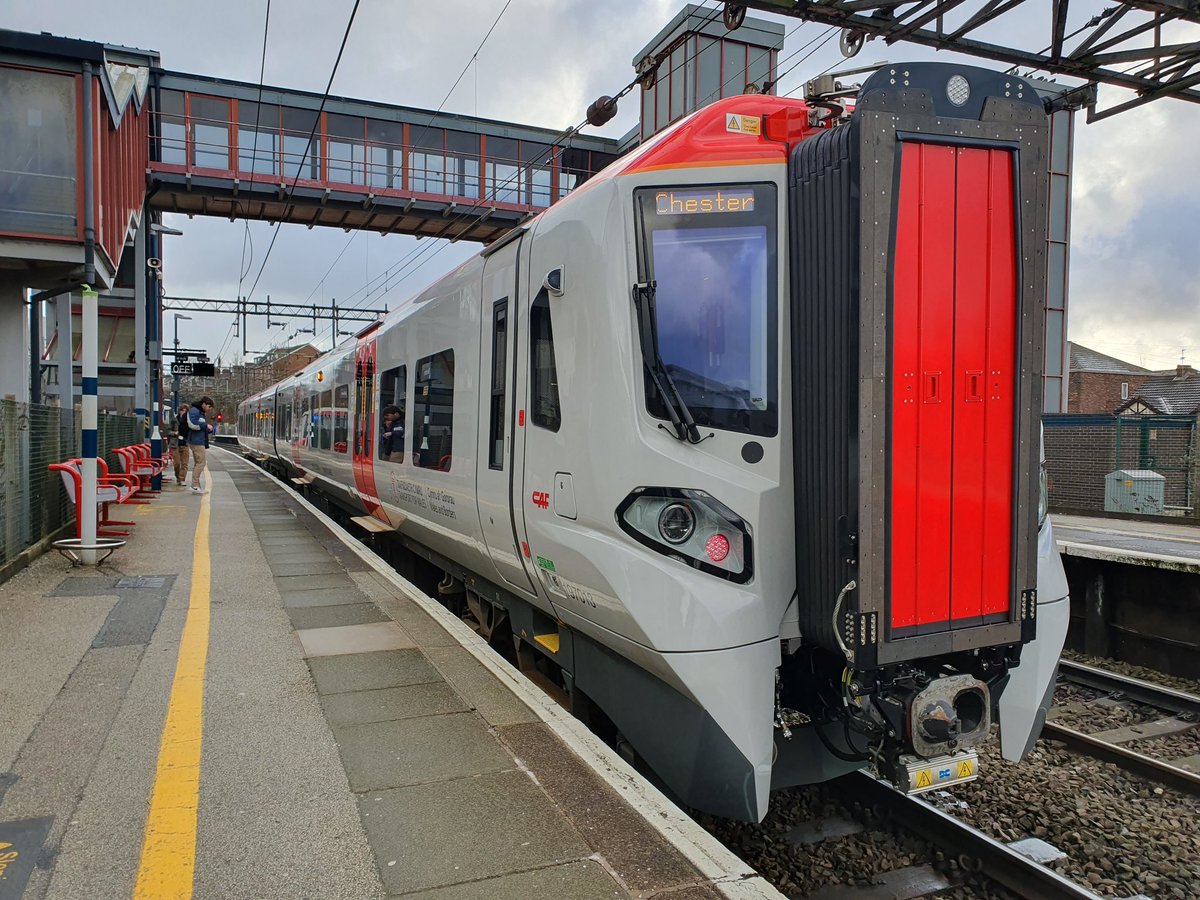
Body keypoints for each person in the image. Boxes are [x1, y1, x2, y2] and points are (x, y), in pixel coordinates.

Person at [186, 396, 216, 493]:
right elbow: (192, 424)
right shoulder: (195, 411)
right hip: (196, 441)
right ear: (204, 404)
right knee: (201, 463)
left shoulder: (199, 412)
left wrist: (207, 430)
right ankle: (195, 485)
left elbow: (198, 426)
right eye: (208, 407)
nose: (209, 409)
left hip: (198, 440)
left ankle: (196, 485)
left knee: (198, 463)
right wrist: (205, 425)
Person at [172, 402, 190, 486]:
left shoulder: (189, 422)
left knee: (185, 463)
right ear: (179, 411)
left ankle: (182, 479)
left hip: (185, 444)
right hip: (175, 444)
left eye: (185, 411)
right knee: (177, 463)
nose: (183, 412)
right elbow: (167, 430)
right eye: (182, 410)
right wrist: (174, 433)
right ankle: (178, 476)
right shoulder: (174, 420)